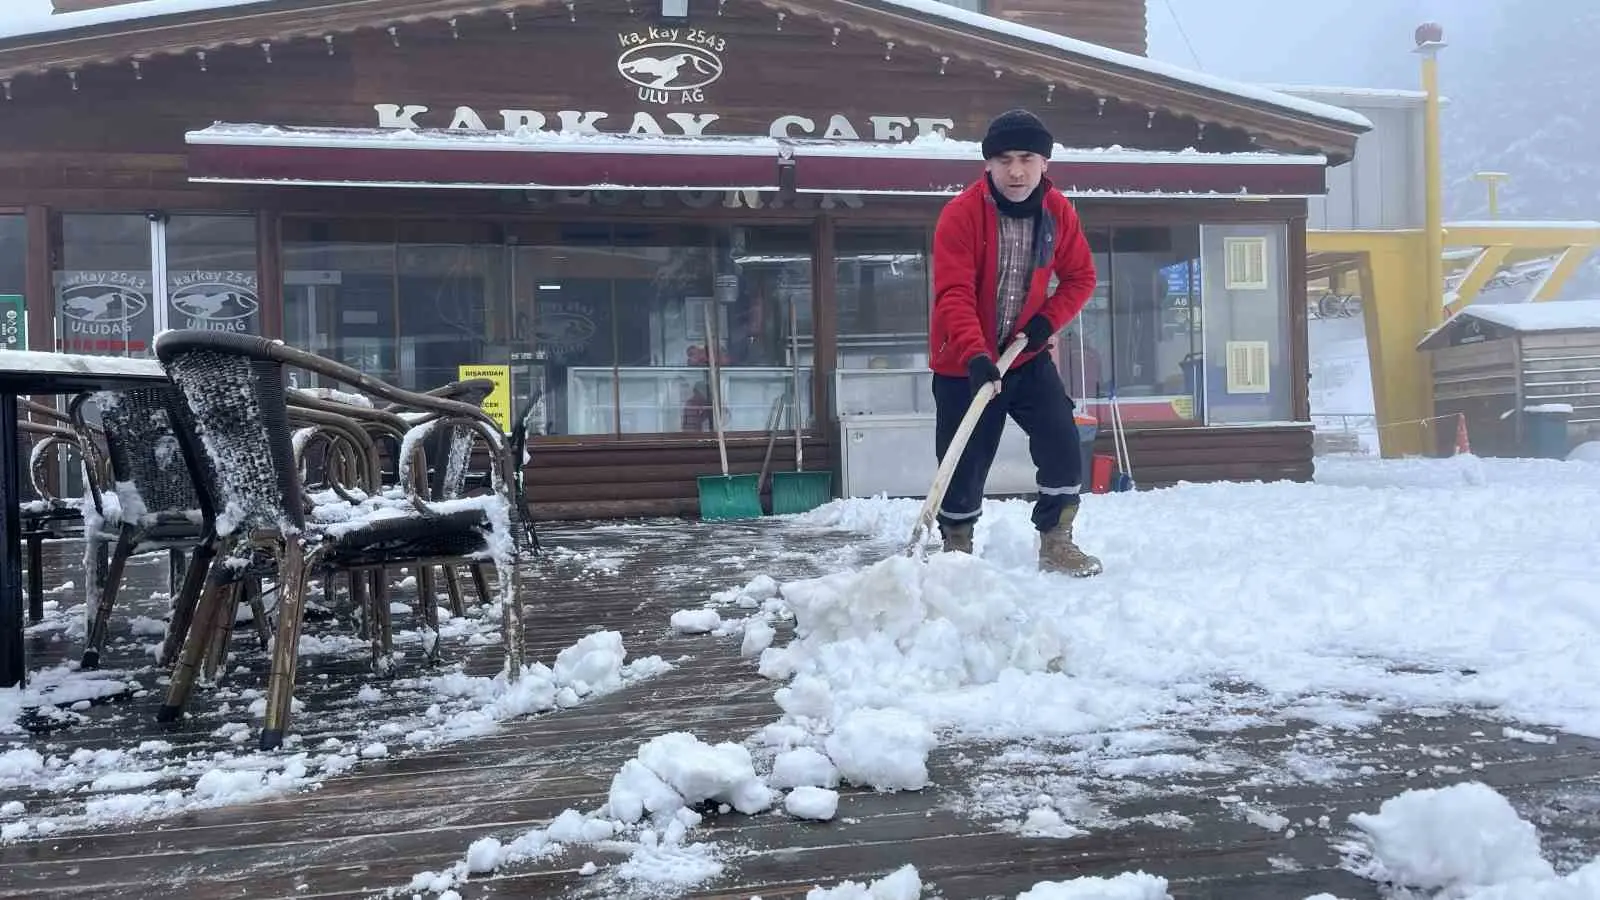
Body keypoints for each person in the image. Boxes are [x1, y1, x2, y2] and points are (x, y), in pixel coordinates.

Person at [927, 108, 1102, 576]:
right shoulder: (960, 214)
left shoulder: (1058, 212)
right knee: (964, 459)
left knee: (1062, 440)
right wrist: (976, 355)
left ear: (1045, 162)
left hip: (1025, 357)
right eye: (1004, 159)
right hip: (965, 364)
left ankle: (1056, 539)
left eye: (1027, 157)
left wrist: (1047, 322)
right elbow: (954, 293)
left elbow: (1081, 277)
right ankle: (957, 549)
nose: (1016, 170)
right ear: (987, 165)